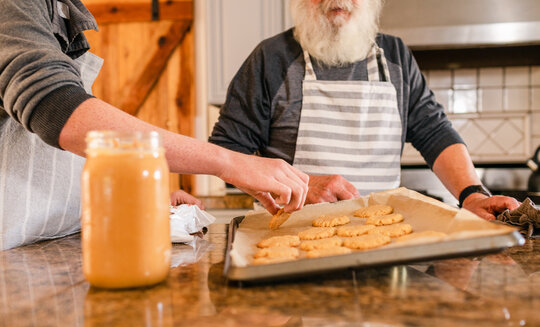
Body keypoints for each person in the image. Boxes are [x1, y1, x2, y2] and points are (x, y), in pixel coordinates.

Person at [0, 0, 309, 250]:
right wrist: (227, 161)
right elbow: (55, 107)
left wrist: (133, 200)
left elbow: (46, 162)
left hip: (49, 253)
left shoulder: (58, 9)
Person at [209, 0, 520, 220]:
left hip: (382, 243)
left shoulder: (395, 56)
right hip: (291, 246)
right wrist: (295, 186)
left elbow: (434, 131)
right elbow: (227, 152)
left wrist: (472, 194)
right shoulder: (271, 58)